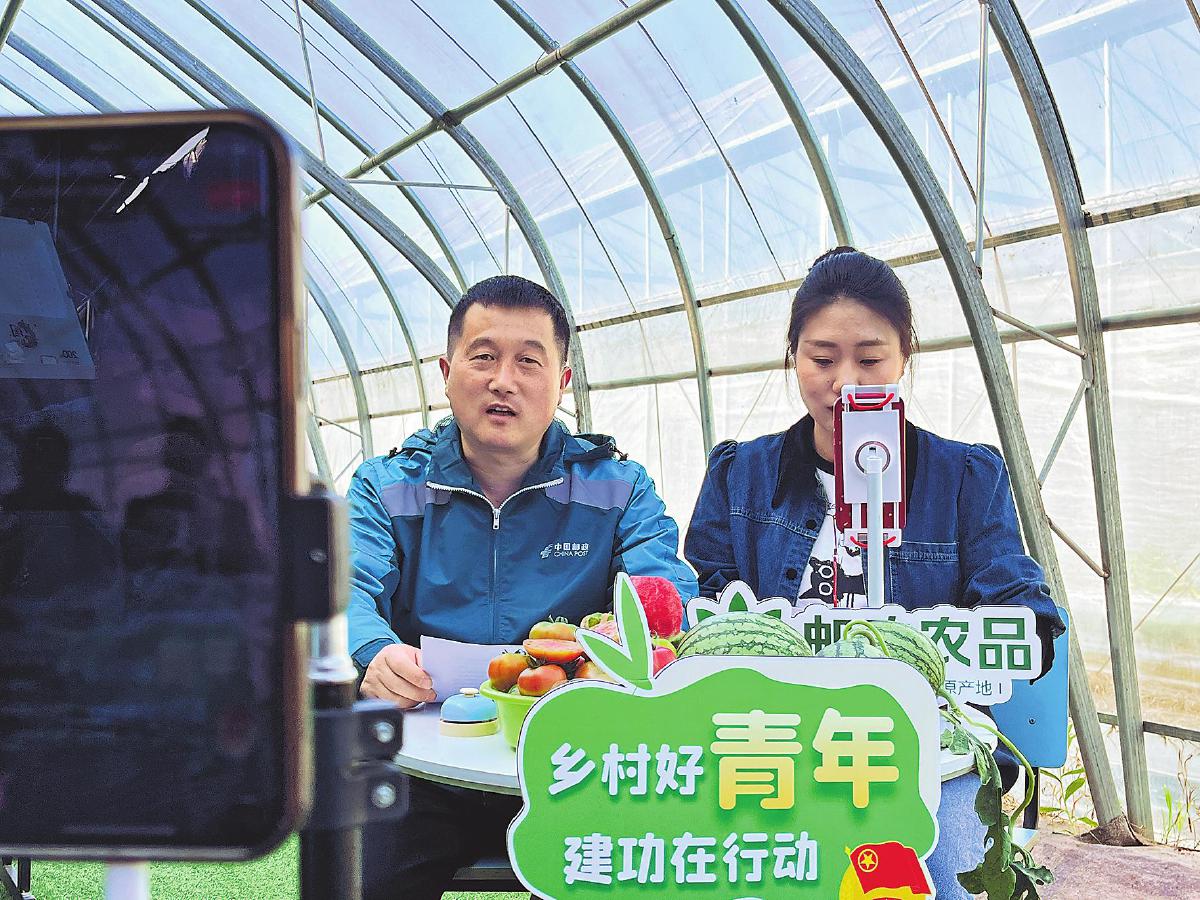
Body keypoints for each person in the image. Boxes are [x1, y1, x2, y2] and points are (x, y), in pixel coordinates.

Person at [684, 246, 1065, 899]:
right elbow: (701, 607)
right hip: (769, 745)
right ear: (793, 357)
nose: (844, 383)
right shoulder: (738, 475)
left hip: (928, 755)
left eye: (869, 359)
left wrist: (1004, 633)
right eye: (822, 359)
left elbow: (1022, 607)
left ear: (904, 357)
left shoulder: (965, 477)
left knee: (953, 880)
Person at [346, 274, 696, 900]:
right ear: (446, 372)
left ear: (562, 382)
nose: (503, 381)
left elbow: (664, 589)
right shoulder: (387, 485)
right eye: (483, 357)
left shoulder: (618, 487)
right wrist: (372, 653)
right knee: (358, 879)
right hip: (421, 755)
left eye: (529, 362)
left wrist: (632, 639)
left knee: (632, 875)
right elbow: (344, 590)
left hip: (581, 759)